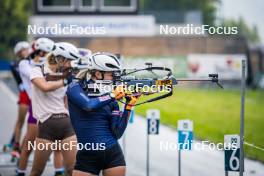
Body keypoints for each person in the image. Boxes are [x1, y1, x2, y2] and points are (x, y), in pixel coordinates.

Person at [66, 52, 138, 176]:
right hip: (87, 156)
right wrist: (112, 95)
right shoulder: (75, 87)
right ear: (98, 73)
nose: (115, 79)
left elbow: (117, 133)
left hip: (113, 154)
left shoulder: (111, 96)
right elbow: (89, 105)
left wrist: (128, 106)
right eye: (112, 75)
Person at [16, 38, 65, 176]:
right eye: (45, 53)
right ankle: (20, 172)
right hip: (36, 107)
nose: (48, 57)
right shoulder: (25, 64)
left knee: (58, 147)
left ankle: (58, 172)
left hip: (53, 108)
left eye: (49, 54)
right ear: (39, 51)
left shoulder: (48, 65)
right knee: (28, 146)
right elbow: (42, 79)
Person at [29, 42, 79, 176]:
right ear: (59, 58)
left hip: (66, 124)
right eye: (68, 61)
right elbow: (44, 87)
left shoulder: (66, 74)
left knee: (71, 170)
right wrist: (65, 81)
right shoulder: (37, 70)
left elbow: (67, 101)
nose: (70, 65)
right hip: (46, 126)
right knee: (36, 171)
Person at [6, 41, 30, 159]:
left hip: (34, 94)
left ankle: (23, 148)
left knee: (33, 123)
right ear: (19, 52)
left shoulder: (32, 61)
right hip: (24, 93)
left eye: (27, 49)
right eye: (23, 50)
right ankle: (15, 146)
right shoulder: (15, 63)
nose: (26, 51)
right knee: (20, 121)